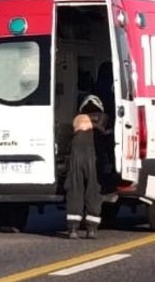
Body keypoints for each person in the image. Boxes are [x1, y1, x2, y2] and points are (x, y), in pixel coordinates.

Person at [65, 95, 109, 239]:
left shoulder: (78, 119)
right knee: (93, 189)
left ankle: (73, 229)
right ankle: (91, 229)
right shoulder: (104, 118)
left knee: (75, 188)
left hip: (76, 152)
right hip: (93, 154)